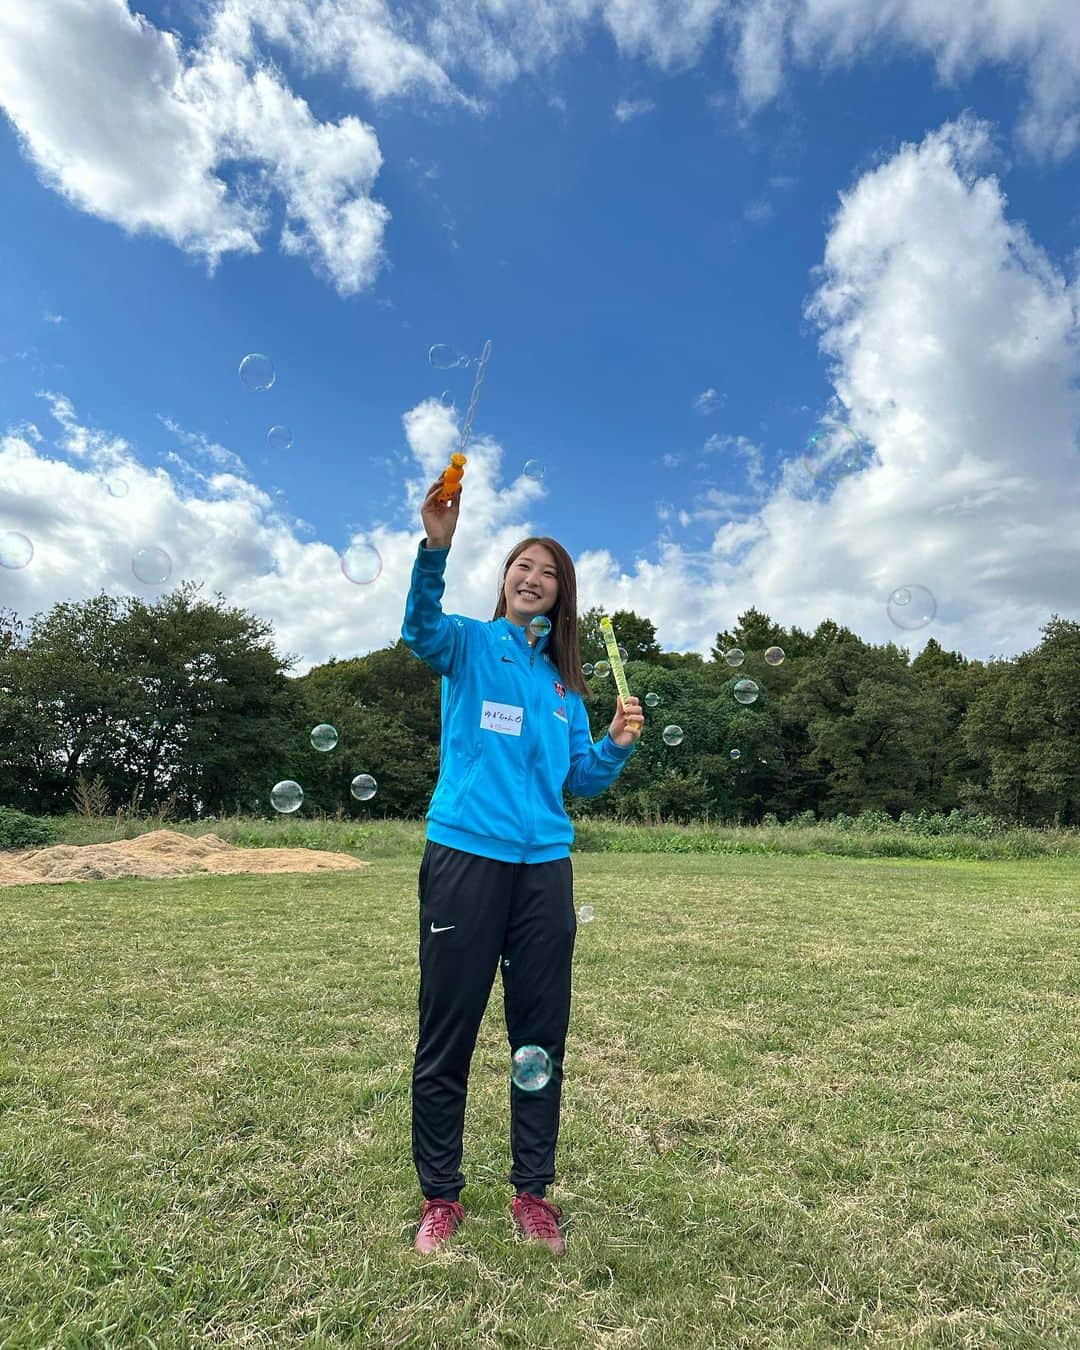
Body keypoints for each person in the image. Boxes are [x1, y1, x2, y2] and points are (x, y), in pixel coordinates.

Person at [401, 468, 643, 1256]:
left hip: (545, 868)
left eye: (549, 574)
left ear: (560, 596)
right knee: (450, 1033)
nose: (533, 579)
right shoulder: (468, 644)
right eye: (522, 567)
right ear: (503, 580)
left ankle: (531, 1193)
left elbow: (578, 780)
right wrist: (434, 548)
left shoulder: (564, 686)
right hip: (465, 855)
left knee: (539, 1039)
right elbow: (419, 629)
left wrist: (612, 743)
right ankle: (441, 1196)